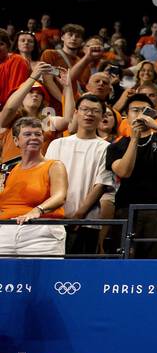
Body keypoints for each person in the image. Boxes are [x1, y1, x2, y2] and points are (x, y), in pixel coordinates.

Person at [107, 94, 157, 258]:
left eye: (144, 111)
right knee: (127, 257)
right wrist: (134, 138)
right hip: (128, 208)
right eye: (134, 110)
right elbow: (124, 171)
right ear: (126, 115)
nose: (139, 115)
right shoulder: (117, 146)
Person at [46, 95, 113, 256]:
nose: (89, 114)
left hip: (86, 223)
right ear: (76, 112)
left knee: (80, 272)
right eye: (85, 110)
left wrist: (79, 215)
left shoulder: (106, 148)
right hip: (54, 220)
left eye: (95, 111)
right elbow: (46, 179)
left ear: (102, 116)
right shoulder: (58, 144)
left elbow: (101, 185)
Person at [0, 117, 67, 258]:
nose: (34, 138)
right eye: (27, 134)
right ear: (16, 141)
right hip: (5, 230)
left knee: (44, 278)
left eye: (38, 134)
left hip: (41, 230)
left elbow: (60, 196)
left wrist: (37, 210)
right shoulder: (10, 171)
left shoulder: (54, 166)